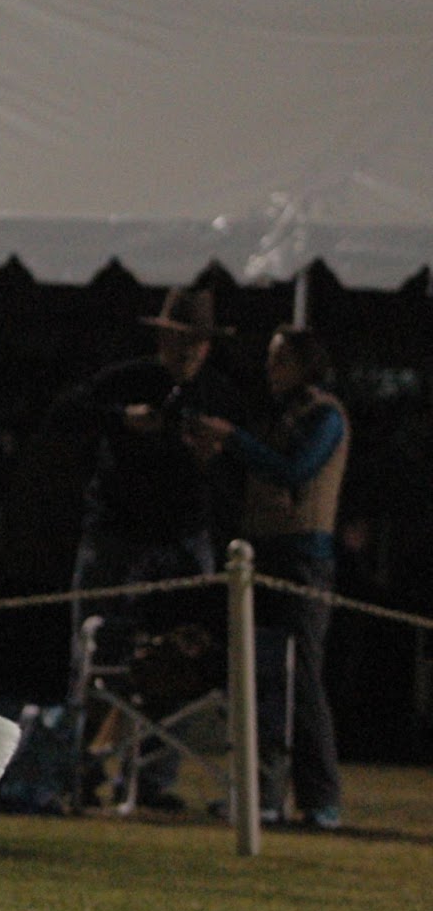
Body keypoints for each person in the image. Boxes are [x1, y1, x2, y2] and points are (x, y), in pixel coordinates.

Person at [56, 287, 245, 810]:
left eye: (195, 343)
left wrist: (213, 457)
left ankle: (153, 779)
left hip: (181, 541)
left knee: (176, 661)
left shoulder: (219, 395)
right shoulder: (130, 379)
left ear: (207, 347)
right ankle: (80, 769)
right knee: (93, 655)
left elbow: (241, 476)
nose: (185, 352)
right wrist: (122, 419)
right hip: (116, 535)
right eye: (176, 340)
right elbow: (66, 412)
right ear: (161, 338)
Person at [189, 326, 349, 829]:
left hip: (303, 559)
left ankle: (320, 799)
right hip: (264, 555)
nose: (269, 368)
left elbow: (295, 472)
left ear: (305, 364)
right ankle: (261, 793)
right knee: (258, 678)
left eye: (279, 359)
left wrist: (234, 439)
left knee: (300, 678)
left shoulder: (325, 416)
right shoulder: (280, 416)